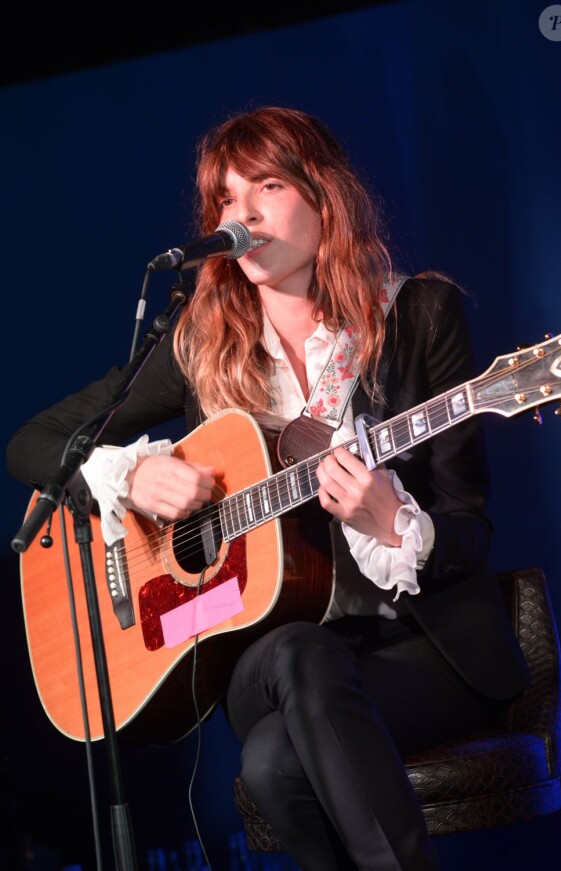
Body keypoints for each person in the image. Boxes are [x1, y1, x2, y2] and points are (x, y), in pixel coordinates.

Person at [7, 105, 530, 871]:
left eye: (268, 186)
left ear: (325, 196)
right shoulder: (199, 342)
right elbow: (34, 444)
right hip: (269, 663)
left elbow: (469, 528)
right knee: (295, 651)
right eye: (224, 198)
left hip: (418, 650)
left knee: (273, 768)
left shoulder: (417, 313)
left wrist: (392, 523)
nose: (241, 215)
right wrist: (131, 475)